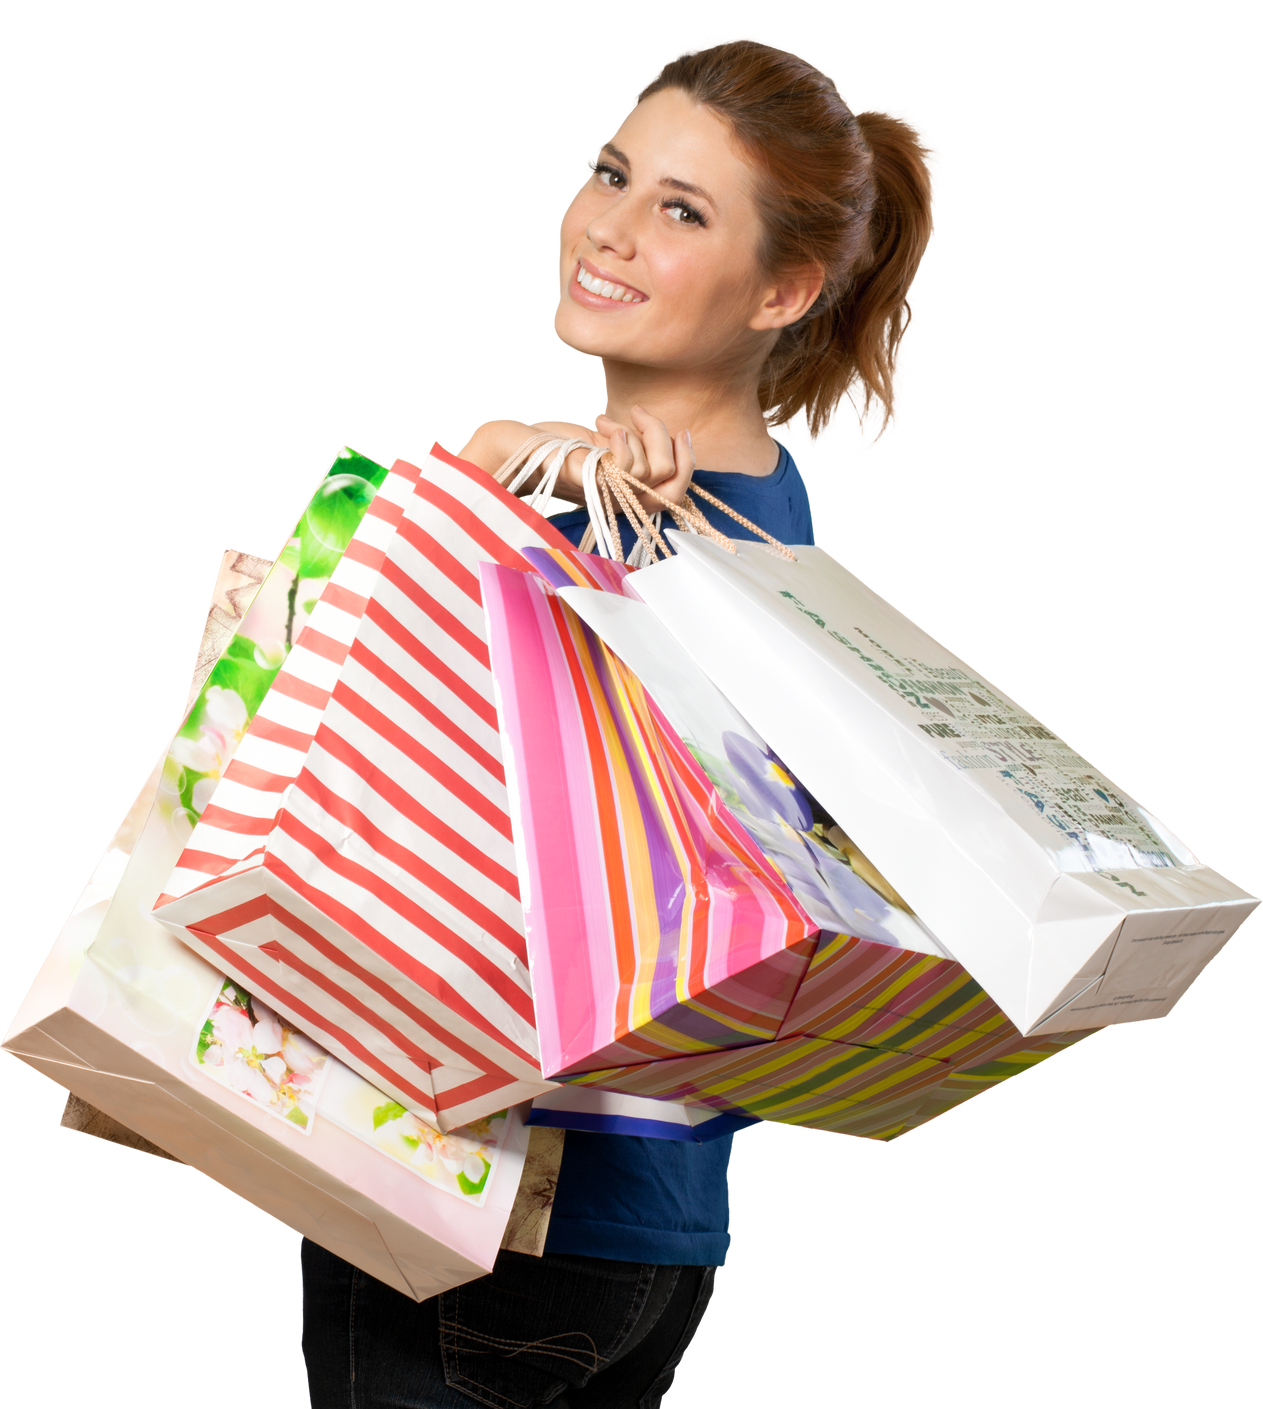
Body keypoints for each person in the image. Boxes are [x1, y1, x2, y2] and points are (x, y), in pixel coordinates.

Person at [299, 32, 944, 1408]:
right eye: (611, 172)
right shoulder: (776, 516)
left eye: (681, 211)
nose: (609, 227)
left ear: (784, 288)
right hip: (656, 1239)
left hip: (481, 1204)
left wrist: (499, 464)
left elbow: (337, 691)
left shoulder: (597, 511)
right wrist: (524, 452)